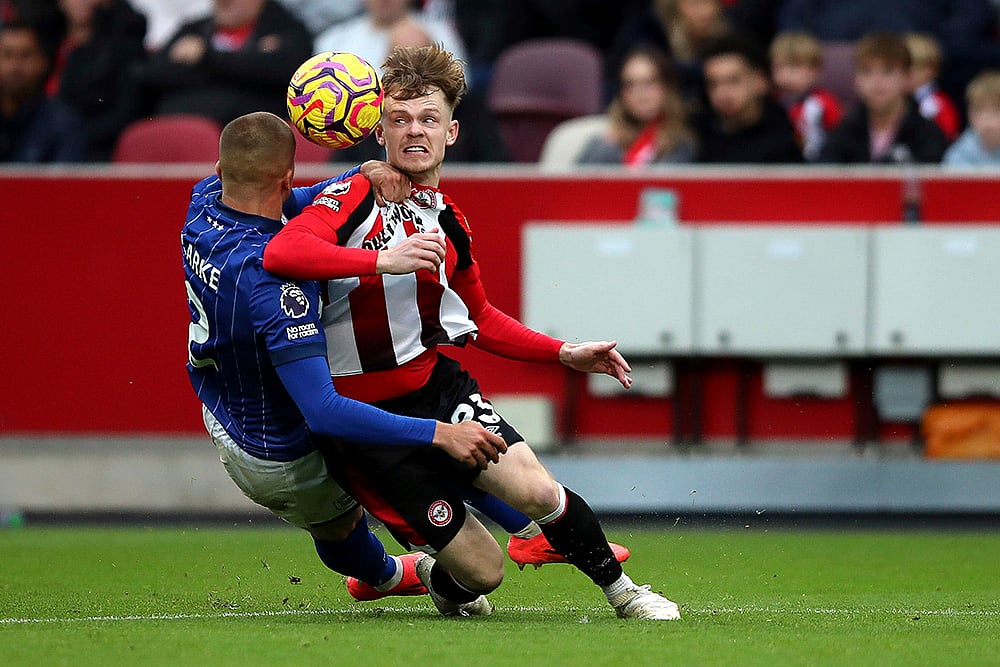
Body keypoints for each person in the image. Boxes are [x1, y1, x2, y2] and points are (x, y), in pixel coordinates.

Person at [264, 44, 680, 621]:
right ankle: (435, 576)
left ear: (451, 132)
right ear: (377, 129)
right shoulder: (353, 194)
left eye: (429, 119)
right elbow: (283, 250)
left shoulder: (448, 220)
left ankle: (627, 594)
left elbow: (479, 318)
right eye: (400, 119)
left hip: (436, 387)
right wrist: (381, 262)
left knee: (536, 490)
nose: (415, 132)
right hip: (365, 423)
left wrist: (565, 352)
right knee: (484, 574)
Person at [183, 111, 513, 604]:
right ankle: (387, 575)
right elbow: (324, 410)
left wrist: (357, 174)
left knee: (368, 491)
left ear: (220, 167)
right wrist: (441, 433)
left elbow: (285, 200)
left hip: (220, 405)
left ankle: (522, 526)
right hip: (280, 449)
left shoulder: (203, 201)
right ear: (288, 174)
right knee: (346, 521)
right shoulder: (272, 282)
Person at [138, 0, 311, 127]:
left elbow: (283, 72)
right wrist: (239, 69)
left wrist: (205, 58)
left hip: (253, 136)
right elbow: (154, 73)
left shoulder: (287, 29)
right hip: (184, 128)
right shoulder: (194, 28)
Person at [819, 32, 949, 164]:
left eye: (888, 71)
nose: (877, 81)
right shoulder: (842, 132)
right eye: (867, 71)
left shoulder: (929, 135)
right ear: (856, 80)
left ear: (907, 77)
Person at [48, 0, 147, 160]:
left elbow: (125, 112)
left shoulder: (122, 46)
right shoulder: (43, 42)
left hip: (97, 149)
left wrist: (74, 133)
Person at [693, 32, 802, 163]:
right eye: (713, 84)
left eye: (733, 81)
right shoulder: (698, 138)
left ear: (760, 81)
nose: (722, 93)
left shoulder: (786, 139)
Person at [578, 46, 695, 166]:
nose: (639, 93)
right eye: (630, 84)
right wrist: (604, 150)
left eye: (648, 82)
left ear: (667, 87)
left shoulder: (680, 144)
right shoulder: (604, 142)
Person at [0, 20, 87, 162]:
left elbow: (65, 182)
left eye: (25, 55)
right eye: (6, 55)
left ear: (43, 62)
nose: (14, 66)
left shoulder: (64, 125)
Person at [769, 30, 842, 161]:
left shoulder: (824, 102)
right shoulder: (772, 102)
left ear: (815, 70)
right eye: (779, 67)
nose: (785, 74)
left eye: (793, 67)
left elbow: (839, 137)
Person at [905, 32, 961, 142]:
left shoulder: (940, 104)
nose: (909, 73)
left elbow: (949, 136)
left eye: (916, 66)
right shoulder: (896, 100)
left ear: (932, 69)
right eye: (905, 67)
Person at [943, 70, 1000, 168]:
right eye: (979, 111)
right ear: (969, 115)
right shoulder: (958, 154)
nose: (987, 119)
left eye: (996, 111)